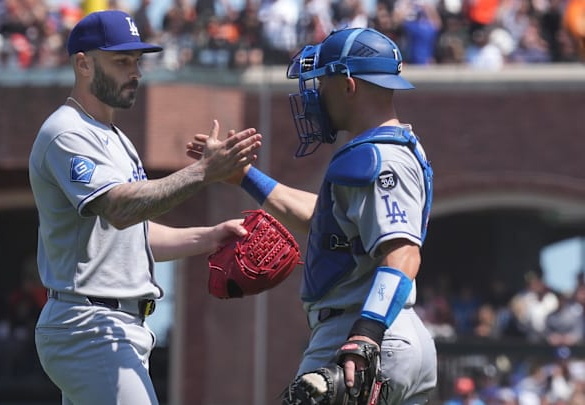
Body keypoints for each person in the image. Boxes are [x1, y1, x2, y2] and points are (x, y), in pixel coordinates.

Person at [188, 27, 437, 404]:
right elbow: (321, 216)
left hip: (361, 333)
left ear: (349, 85)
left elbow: (403, 255)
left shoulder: (377, 158)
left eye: (323, 81)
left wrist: (366, 334)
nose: (316, 92)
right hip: (393, 335)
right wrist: (243, 177)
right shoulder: (392, 148)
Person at [28, 10, 262, 405]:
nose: (135, 71)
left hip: (113, 327)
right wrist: (203, 172)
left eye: (137, 61)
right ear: (83, 64)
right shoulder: (66, 131)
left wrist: (209, 236)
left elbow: (134, 232)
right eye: (121, 61)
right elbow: (119, 209)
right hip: (90, 326)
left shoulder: (116, 138)